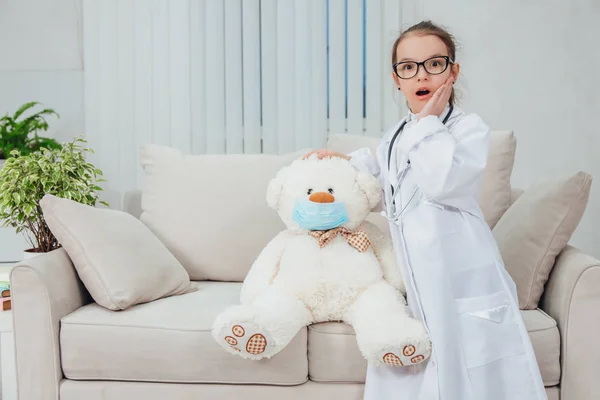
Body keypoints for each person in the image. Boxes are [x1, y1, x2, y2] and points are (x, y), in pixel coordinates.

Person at [305, 20, 547, 400]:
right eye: (408, 67)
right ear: (396, 79)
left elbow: (441, 182)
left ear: (453, 71)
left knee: (469, 364)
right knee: (421, 363)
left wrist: (429, 123)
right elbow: (392, 192)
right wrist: (345, 165)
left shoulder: (467, 129)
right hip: (416, 271)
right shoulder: (397, 135)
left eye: (434, 64)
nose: (422, 75)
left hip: (461, 270)